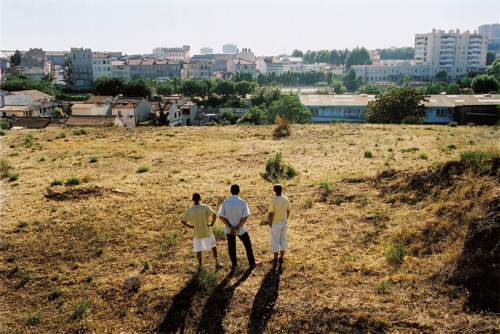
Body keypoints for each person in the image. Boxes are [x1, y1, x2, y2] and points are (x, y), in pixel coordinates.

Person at [218, 184, 261, 269]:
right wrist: (237, 228)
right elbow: (245, 217)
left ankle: (234, 264)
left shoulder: (226, 202)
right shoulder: (242, 202)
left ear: (230, 191)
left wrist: (230, 226)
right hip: (241, 229)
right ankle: (252, 262)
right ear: (239, 191)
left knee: (231, 247)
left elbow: (221, 216)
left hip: (229, 229)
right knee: (247, 245)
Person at [181, 193, 221, 270]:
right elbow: (214, 215)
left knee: (198, 250)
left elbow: (183, 221)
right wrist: (211, 224)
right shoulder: (205, 207)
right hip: (207, 231)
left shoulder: (190, 210)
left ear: (192, 200)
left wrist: (191, 226)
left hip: (197, 233)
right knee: (213, 246)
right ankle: (216, 262)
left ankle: (200, 266)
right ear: (200, 199)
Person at [268, 184, 290, 264]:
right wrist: (285, 218)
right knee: (283, 239)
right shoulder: (285, 199)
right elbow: (288, 211)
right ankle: (281, 257)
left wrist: (270, 223)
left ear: (274, 191)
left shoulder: (273, 201)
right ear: (281, 190)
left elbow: (270, 214)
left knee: (275, 240)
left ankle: (275, 258)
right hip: (283, 222)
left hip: (275, 223)